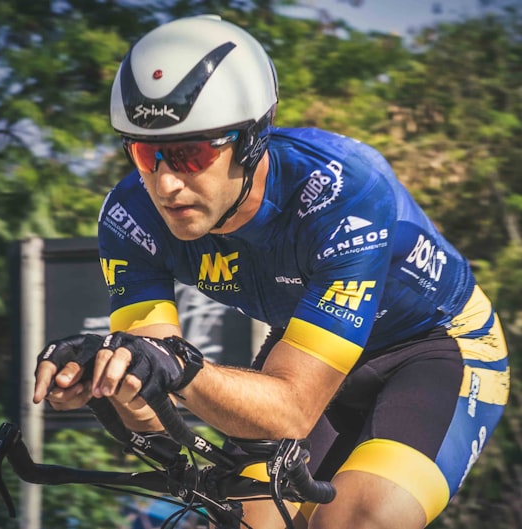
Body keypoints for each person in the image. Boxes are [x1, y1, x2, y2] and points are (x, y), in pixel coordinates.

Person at [31, 14, 509, 529]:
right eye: (146, 153)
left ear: (252, 139)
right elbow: (156, 412)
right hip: (304, 348)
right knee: (244, 522)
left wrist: (181, 367)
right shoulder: (131, 219)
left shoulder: (342, 190)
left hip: (432, 348)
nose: (165, 185)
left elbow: (292, 409)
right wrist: (115, 373)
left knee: (357, 521)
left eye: (190, 155)